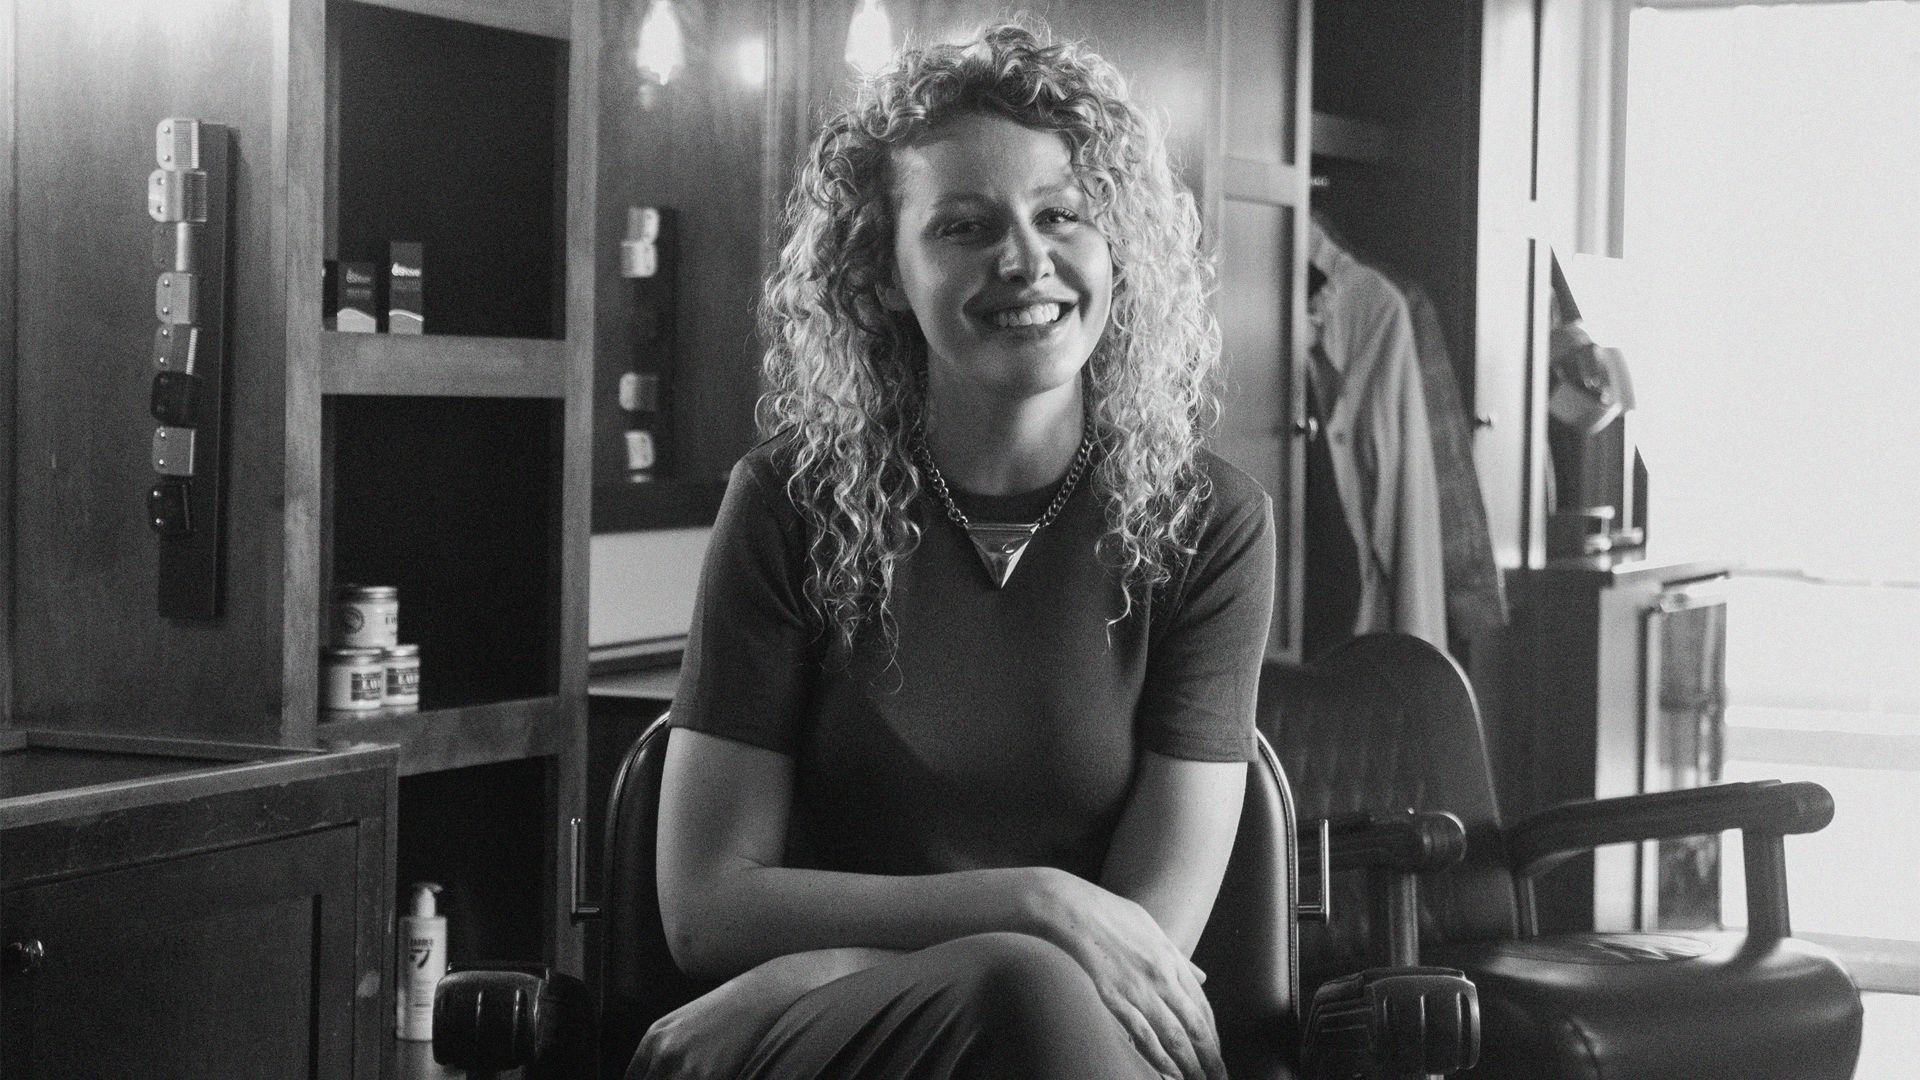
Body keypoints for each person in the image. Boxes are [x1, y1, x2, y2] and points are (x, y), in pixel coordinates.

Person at [632, 22, 1276, 1080]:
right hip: (827, 1045)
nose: (1024, 260)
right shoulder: (789, 503)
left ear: (1118, 245)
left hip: (1057, 1030)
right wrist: (1032, 902)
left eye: (1062, 214)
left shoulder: (1213, 523)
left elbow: (1144, 947)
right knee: (1022, 976)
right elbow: (706, 907)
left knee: (1034, 991)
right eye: (964, 227)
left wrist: (820, 959)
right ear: (882, 274)